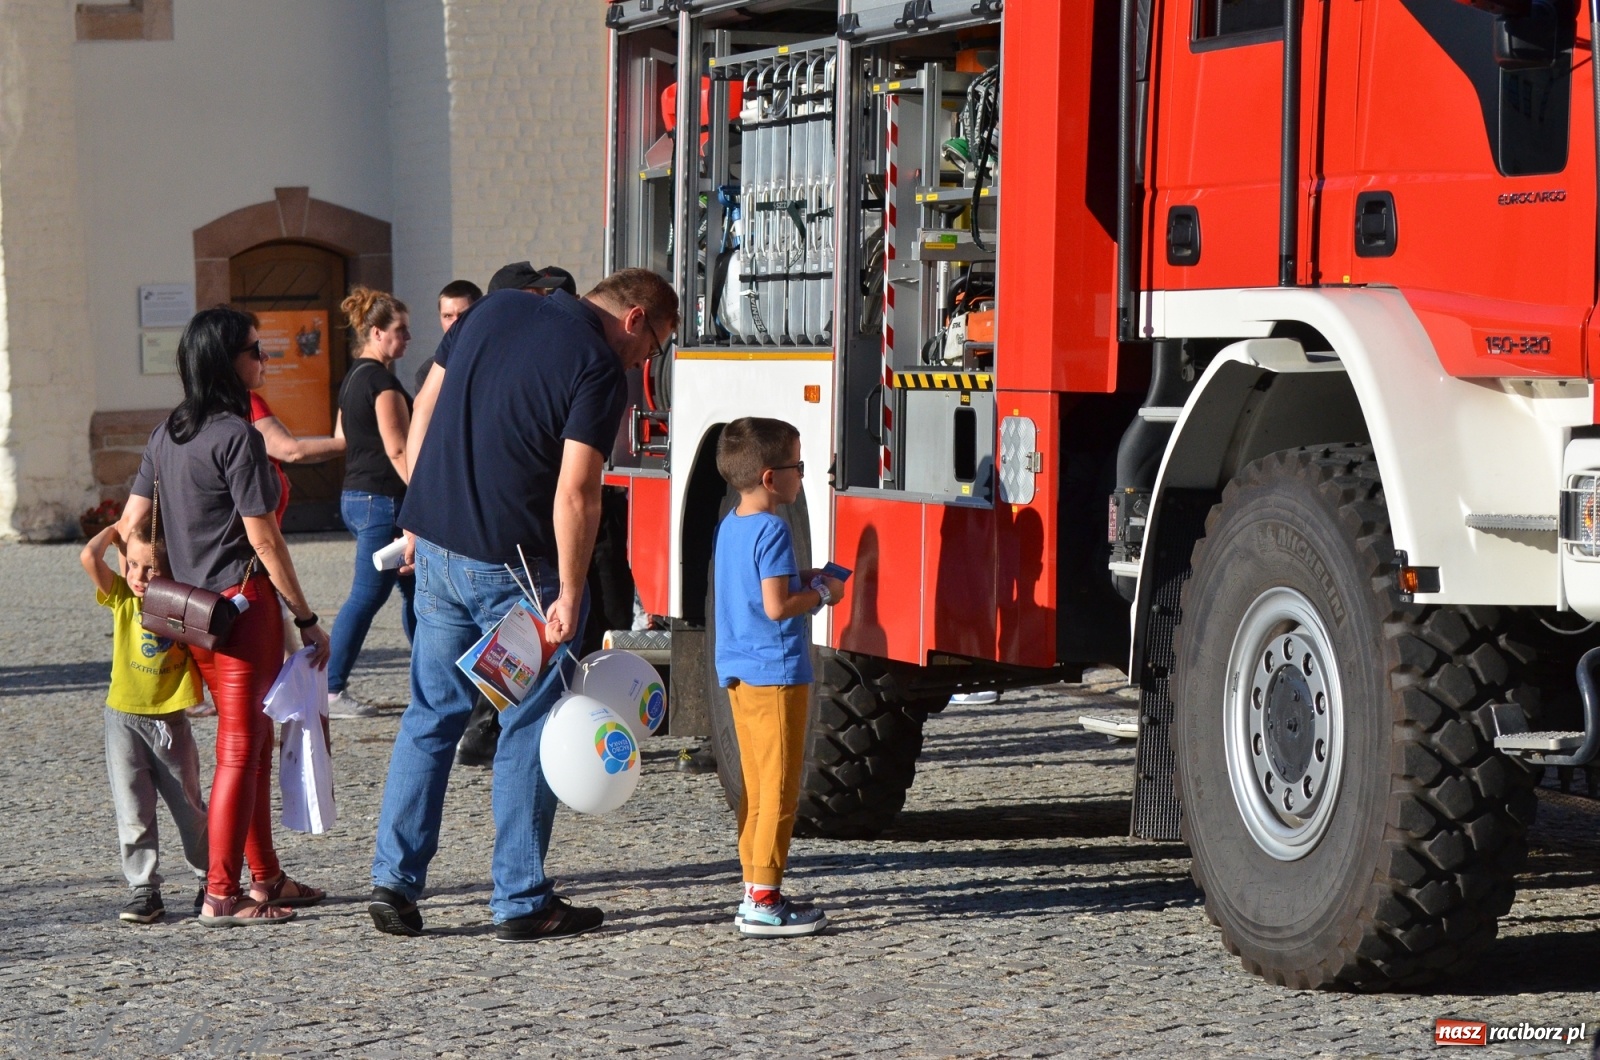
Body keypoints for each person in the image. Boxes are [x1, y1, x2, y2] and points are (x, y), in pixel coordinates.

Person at [367, 267, 677, 941]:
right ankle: (519, 898)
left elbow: (428, 405)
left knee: (432, 714)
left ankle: (394, 880)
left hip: (440, 550)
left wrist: (419, 512)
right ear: (634, 319)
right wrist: (570, 590)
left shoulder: (495, 307)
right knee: (528, 724)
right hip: (516, 572)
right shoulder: (598, 365)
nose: (646, 360)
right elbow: (577, 492)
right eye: (654, 344)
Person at [118, 305, 332, 927]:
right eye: (254, 351)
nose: (263, 360)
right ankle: (220, 891)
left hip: (192, 614)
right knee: (241, 749)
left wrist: (140, 558)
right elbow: (265, 540)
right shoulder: (237, 437)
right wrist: (306, 615)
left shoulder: (168, 434)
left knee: (252, 744)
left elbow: (131, 522)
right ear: (225, 362)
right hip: (244, 608)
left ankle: (264, 877)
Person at [712, 416, 845, 938]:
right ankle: (764, 900)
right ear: (771, 477)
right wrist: (823, 594)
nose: (803, 476)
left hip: (740, 672)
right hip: (778, 673)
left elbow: (750, 592)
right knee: (781, 791)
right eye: (798, 466)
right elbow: (776, 605)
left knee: (755, 787)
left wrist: (804, 577)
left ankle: (753, 886)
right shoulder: (774, 528)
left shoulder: (733, 523)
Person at [79, 515, 209, 924]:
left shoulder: (182, 607)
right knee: (133, 809)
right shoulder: (122, 598)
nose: (138, 575)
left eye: (149, 567)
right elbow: (88, 555)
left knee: (189, 805)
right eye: (132, 565)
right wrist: (118, 531)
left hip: (170, 722)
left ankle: (211, 879)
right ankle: (144, 890)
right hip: (123, 720)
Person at [324, 286, 415, 719]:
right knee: (366, 596)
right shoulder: (381, 382)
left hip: (357, 497)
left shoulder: (352, 379)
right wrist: (424, 501)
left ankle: (434, 685)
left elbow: (343, 438)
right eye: (400, 330)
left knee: (419, 595)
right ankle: (330, 689)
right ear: (376, 332)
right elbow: (398, 450)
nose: (408, 338)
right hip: (383, 500)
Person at [413, 279, 483, 393]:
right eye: (447, 316)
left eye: (463, 315)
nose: (455, 322)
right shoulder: (429, 372)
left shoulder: (497, 361)